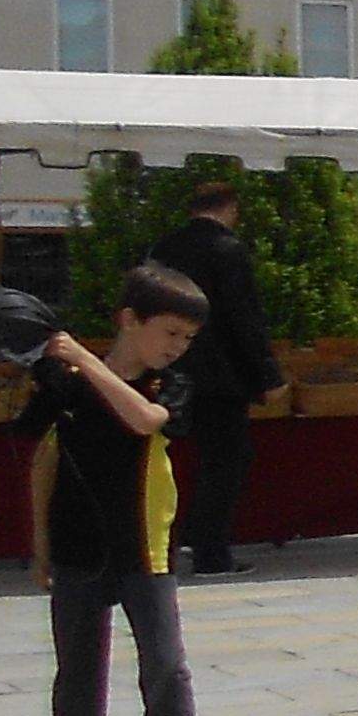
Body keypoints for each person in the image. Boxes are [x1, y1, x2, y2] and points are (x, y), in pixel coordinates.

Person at [6, 263, 215, 716]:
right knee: (76, 670)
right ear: (130, 320)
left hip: (144, 547)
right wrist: (41, 546)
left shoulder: (168, 385)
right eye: (170, 333)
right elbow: (42, 457)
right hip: (77, 545)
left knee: (165, 667)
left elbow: (146, 420)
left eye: (187, 339)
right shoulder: (65, 383)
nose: (178, 347)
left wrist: (88, 363)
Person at [146, 178, 273, 575]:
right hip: (220, 377)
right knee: (225, 462)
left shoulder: (163, 249)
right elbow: (243, 319)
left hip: (167, 368)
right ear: (229, 208)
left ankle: (160, 546)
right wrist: (266, 374)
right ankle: (211, 553)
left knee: (160, 459)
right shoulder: (227, 250)